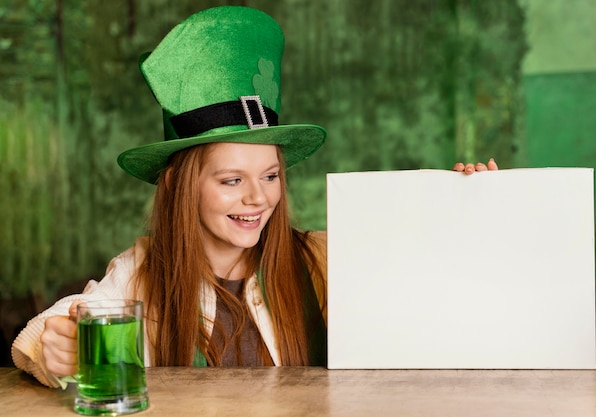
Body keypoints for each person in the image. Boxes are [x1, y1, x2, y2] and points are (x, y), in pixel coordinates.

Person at [11, 6, 497, 388]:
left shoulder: (321, 260)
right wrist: (58, 351)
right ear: (179, 185)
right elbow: (49, 329)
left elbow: (431, 279)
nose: (257, 198)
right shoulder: (142, 273)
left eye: (269, 176)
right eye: (231, 180)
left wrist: (470, 208)